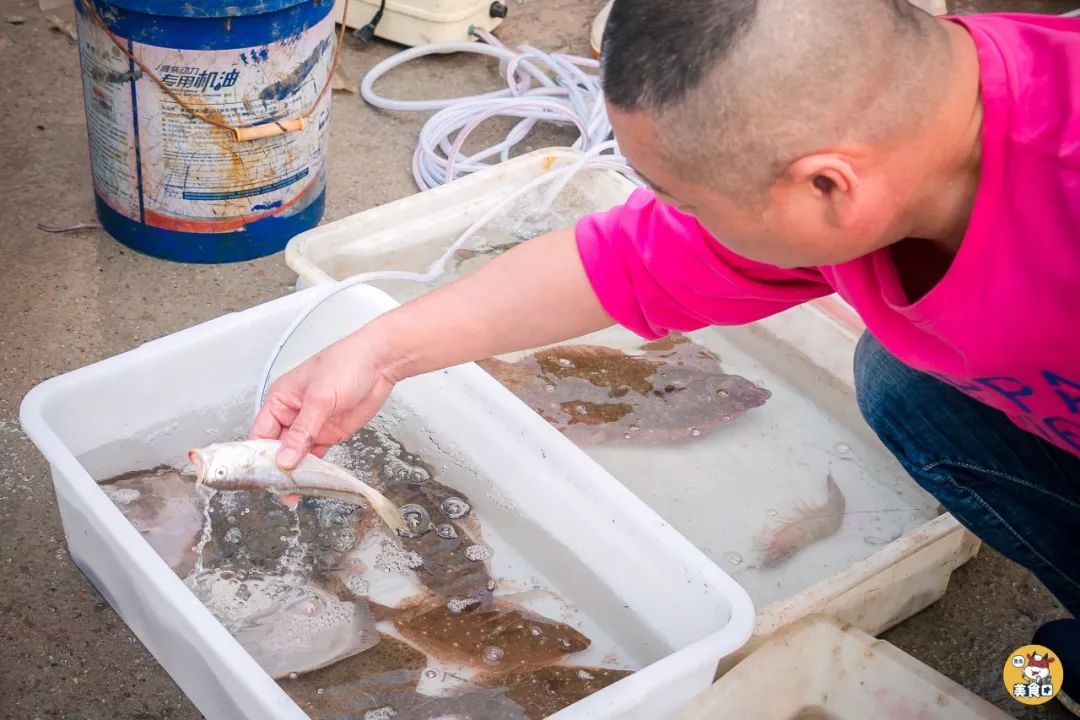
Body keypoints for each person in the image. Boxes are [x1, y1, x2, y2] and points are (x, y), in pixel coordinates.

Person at [253, 0, 1080, 704]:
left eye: (689, 201)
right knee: (902, 383)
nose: (677, 220)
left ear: (831, 186)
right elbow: (626, 259)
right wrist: (381, 351)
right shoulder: (906, 133)